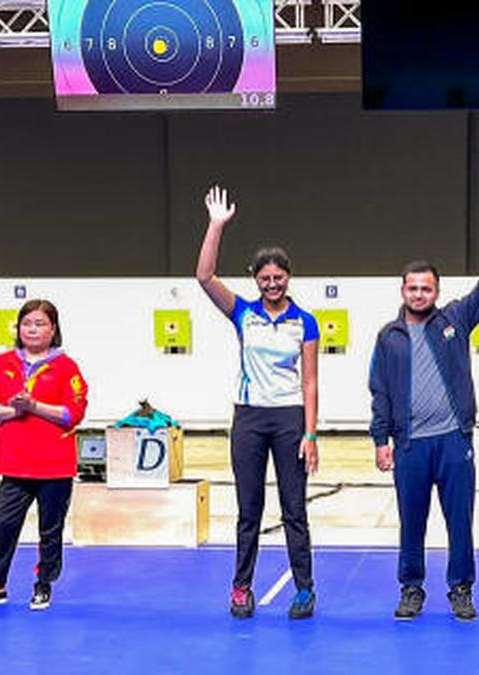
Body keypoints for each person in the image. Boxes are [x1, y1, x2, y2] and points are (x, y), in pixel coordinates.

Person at [370, 193, 479, 621]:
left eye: (426, 288)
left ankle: (461, 589)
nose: (419, 294)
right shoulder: (388, 336)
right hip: (410, 445)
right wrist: (381, 440)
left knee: (459, 523)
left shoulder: (455, 319)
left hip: (453, 441)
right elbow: (378, 390)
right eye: (412, 288)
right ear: (402, 290)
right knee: (410, 523)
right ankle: (411, 589)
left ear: (436, 291)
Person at [195, 185, 320, 620]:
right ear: (256, 280)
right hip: (248, 419)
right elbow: (205, 277)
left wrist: (310, 433)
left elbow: (310, 382)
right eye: (264, 279)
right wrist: (216, 225)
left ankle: (304, 589)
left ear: (288, 277)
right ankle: (240, 588)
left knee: (294, 510)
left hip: (289, 419)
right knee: (249, 510)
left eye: (278, 278)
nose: (271, 284)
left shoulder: (304, 322)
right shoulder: (243, 313)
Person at [0, 299, 88, 611]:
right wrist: (13, 411)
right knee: (2, 526)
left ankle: (43, 584)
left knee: (51, 531)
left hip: (55, 467)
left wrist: (34, 407)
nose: (32, 329)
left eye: (40, 324)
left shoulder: (67, 367)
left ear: (53, 329)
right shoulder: (1, 363)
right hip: (15, 464)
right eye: (27, 323)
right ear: (18, 328)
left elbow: (73, 413)